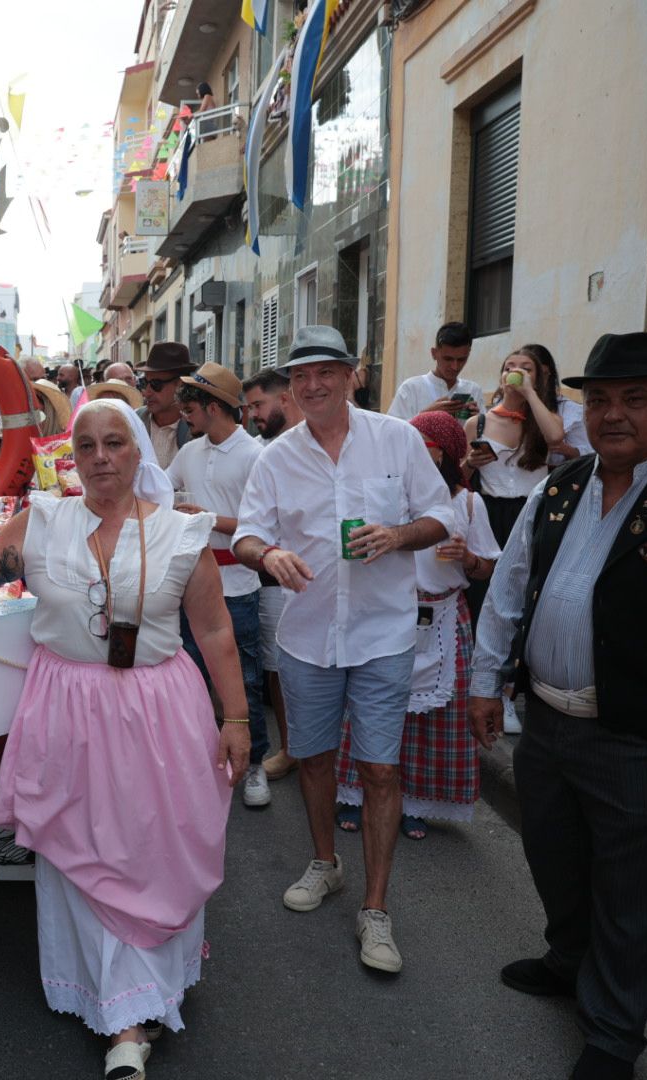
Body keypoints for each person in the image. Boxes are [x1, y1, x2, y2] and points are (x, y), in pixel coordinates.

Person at [0, 399, 249, 1080]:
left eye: (115, 443)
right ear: (73, 456)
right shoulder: (44, 520)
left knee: (152, 850)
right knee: (81, 853)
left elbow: (215, 633)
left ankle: (147, 990)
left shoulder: (184, 534)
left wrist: (237, 718)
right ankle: (122, 1017)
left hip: (160, 714)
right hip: (66, 712)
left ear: (138, 454)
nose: (99, 457)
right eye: (86, 445)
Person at [469, 331, 647, 1080]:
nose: (614, 415)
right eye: (600, 400)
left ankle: (615, 1034)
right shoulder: (561, 485)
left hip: (638, 736)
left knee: (633, 891)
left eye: (634, 399)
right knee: (553, 855)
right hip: (547, 725)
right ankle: (569, 960)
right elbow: (509, 587)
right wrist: (484, 681)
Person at [233, 325, 454, 974]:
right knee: (313, 758)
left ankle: (376, 908)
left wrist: (399, 534)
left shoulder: (398, 439)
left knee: (382, 769)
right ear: (290, 387)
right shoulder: (276, 458)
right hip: (306, 638)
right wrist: (268, 553)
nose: (313, 385)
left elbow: (442, 516)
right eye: (301, 376)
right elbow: (247, 536)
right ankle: (325, 863)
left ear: (352, 375)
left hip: (383, 633)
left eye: (326, 372)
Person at [333, 410, 497, 840]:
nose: (417, 457)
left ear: (446, 454)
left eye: (427, 449)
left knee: (433, 721)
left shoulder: (468, 503)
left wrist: (468, 559)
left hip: (444, 616)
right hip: (392, 610)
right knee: (373, 710)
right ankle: (356, 794)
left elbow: (489, 570)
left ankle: (414, 804)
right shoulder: (392, 494)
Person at [171, 363, 269, 808]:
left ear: (213, 407)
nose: (184, 413)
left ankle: (255, 766)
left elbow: (266, 525)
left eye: (189, 405)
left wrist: (205, 519)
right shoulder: (189, 452)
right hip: (191, 583)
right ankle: (198, 761)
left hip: (239, 582)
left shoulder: (256, 456)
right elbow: (161, 490)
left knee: (245, 680)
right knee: (191, 677)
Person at [241, 367, 304, 781]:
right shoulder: (264, 451)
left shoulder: (314, 442)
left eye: (258, 405)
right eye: (248, 408)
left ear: (285, 399)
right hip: (274, 575)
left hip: (323, 576)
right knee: (280, 669)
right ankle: (292, 748)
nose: (252, 415)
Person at [465, 345, 566, 545]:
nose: (515, 372)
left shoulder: (547, 418)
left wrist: (529, 392)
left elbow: (555, 438)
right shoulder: (477, 423)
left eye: (527, 369)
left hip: (532, 509)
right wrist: (470, 463)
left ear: (536, 379)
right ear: (501, 379)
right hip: (491, 511)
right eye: (508, 368)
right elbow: (461, 477)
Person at [387, 321, 481, 421]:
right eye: (448, 359)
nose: (455, 367)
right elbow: (392, 432)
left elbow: (484, 435)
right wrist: (425, 416)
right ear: (434, 353)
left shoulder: (473, 391)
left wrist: (477, 423)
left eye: (461, 360)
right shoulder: (410, 389)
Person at [135, 342, 194, 470]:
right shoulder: (134, 421)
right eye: (145, 383)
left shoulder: (196, 427)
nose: (147, 392)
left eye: (156, 384)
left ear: (180, 384)